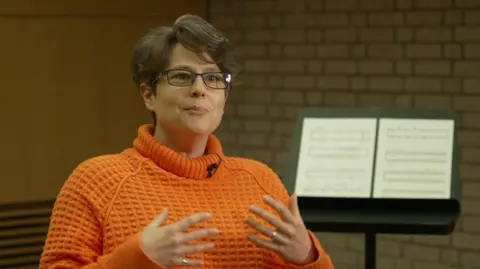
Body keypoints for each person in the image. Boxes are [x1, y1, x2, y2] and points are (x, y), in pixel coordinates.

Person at [39, 14, 334, 269]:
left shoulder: (261, 181)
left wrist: (306, 256)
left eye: (213, 79)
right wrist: (135, 259)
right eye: (182, 76)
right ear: (149, 94)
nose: (199, 90)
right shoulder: (97, 181)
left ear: (224, 97)